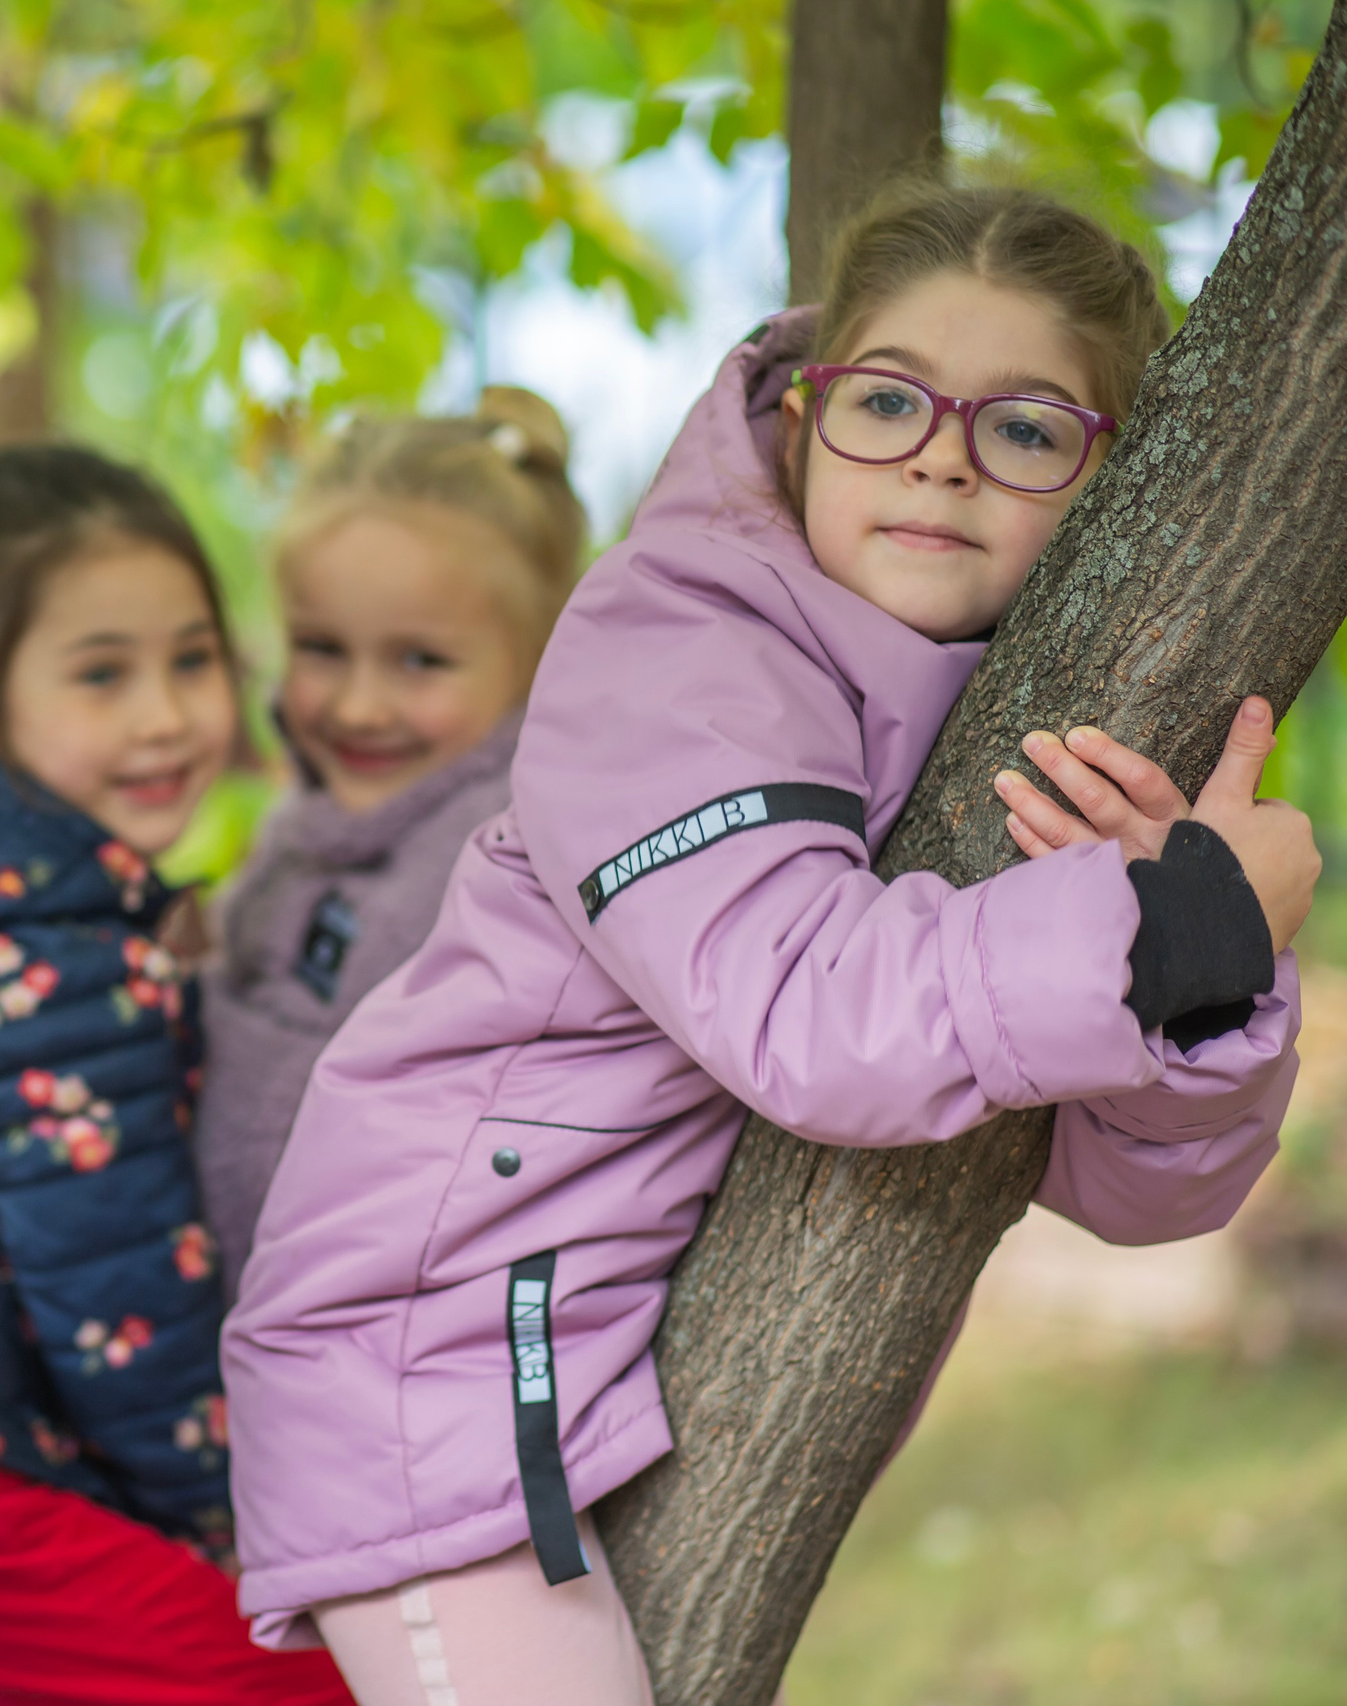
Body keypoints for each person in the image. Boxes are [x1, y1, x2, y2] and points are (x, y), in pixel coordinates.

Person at [224, 184, 1316, 1705]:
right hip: (434, 1357)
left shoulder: (984, 727)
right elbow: (811, 1015)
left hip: (583, 1359)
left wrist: (1201, 986)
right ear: (801, 424)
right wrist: (1172, 925)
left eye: (1025, 426)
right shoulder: (676, 654)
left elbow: (1131, 1189)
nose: (940, 453)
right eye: (887, 400)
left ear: (1111, 483)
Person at [0, 444, 354, 1706]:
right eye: (102, 673)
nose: (164, 716)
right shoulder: (51, 944)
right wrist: (230, 1529)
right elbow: (121, 1304)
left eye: (192, 660)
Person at [196, 388, 585, 1293]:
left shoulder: (496, 862)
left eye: (420, 661)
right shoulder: (310, 825)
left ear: (535, 662)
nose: (360, 707)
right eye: (322, 649)